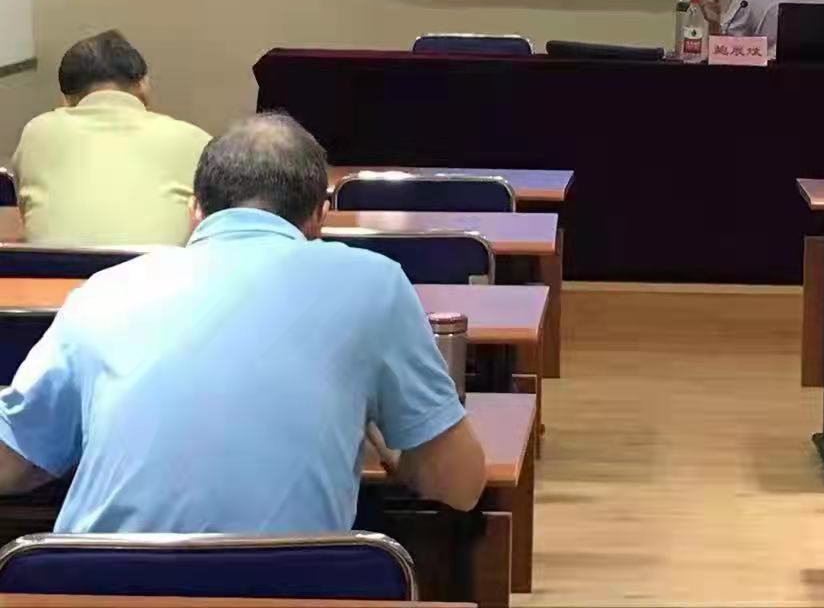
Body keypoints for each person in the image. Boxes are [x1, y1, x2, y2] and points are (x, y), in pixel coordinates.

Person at [0, 112, 488, 532]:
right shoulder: (374, 284)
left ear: (194, 210)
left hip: (97, 584)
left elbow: (12, 463)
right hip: (294, 587)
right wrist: (397, 450)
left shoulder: (104, 291)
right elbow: (461, 485)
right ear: (319, 218)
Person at [8, 30, 210, 246]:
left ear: (66, 100)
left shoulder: (37, 133)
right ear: (144, 84)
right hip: (159, 267)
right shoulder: (195, 141)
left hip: (54, 267)